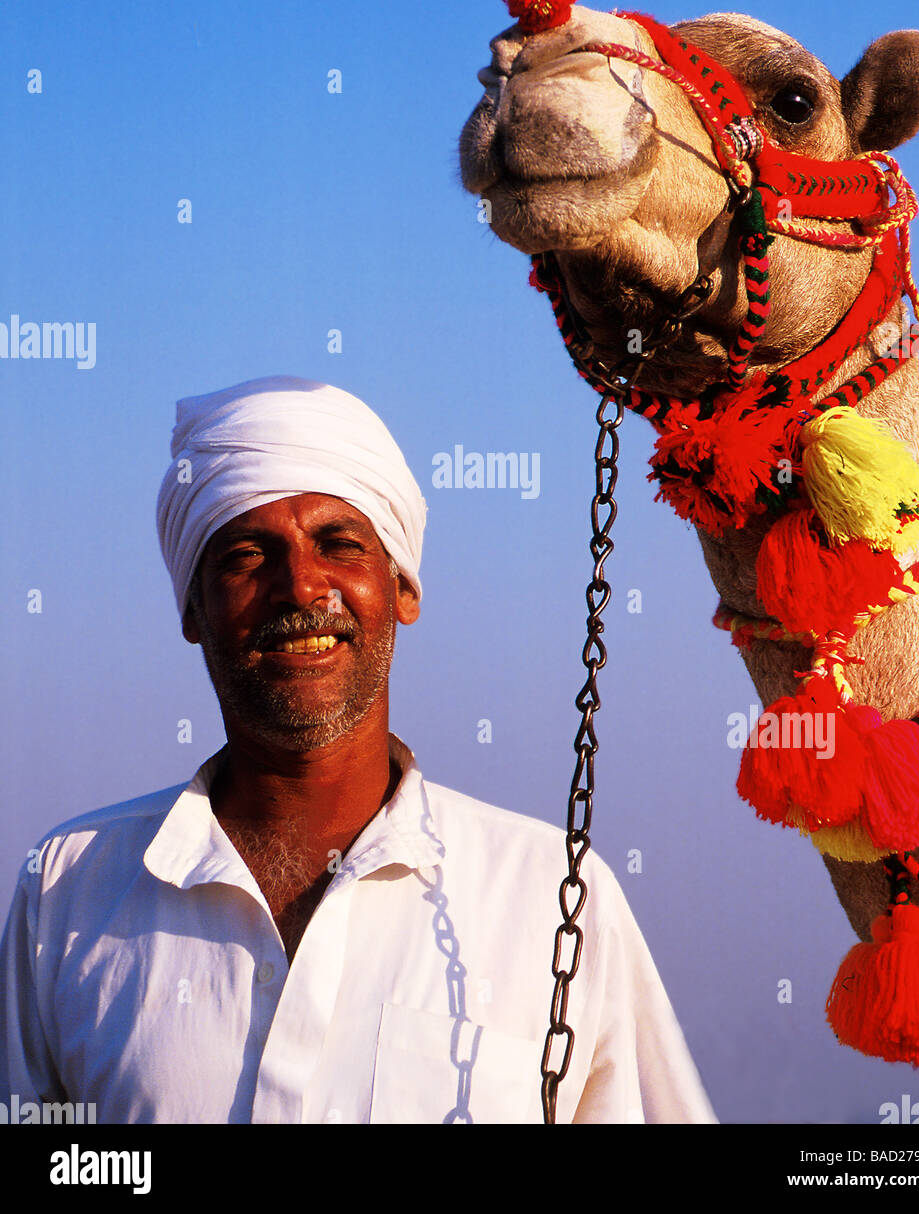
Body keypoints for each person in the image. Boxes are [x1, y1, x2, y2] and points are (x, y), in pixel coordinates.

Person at [0, 376, 715, 1124]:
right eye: (247, 555)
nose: (301, 587)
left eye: (338, 544)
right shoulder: (67, 892)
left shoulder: (553, 894)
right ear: (192, 607)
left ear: (402, 587)